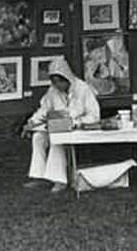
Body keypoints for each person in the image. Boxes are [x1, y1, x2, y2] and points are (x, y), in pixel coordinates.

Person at [20, 58, 100, 193]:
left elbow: (94, 115)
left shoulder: (83, 89)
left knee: (57, 140)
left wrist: (75, 123)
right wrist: (31, 123)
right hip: (56, 126)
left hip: (77, 127)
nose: (58, 85)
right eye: (54, 81)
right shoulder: (53, 91)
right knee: (38, 137)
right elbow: (44, 110)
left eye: (60, 81)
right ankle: (39, 176)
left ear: (67, 77)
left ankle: (59, 180)